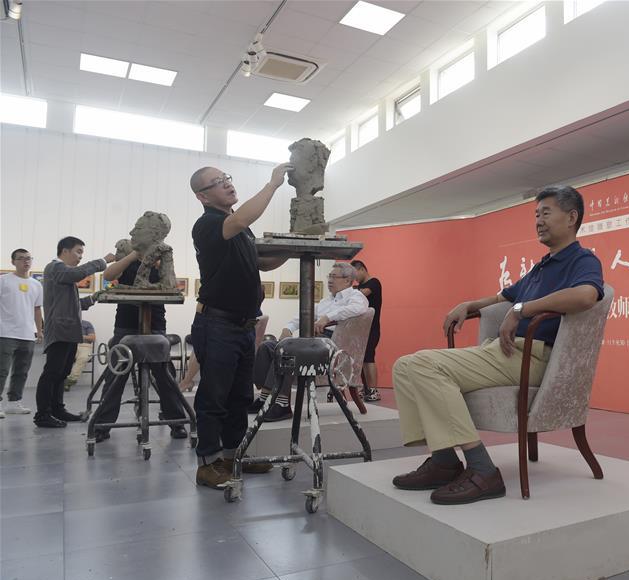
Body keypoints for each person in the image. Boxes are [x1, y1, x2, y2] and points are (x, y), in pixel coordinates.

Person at [390, 186, 604, 505]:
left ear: (572, 217)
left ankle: (482, 469)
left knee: (423, 364)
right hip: (505, 352)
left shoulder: (582, 260)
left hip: (533, 355)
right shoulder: (543, 266)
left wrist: (522, 310)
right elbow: (503, 297)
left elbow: (587, 295)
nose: (538, 221)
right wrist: (469, 304)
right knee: (405, 366)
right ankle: (444, 460)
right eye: (536, 215)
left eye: (546, 213)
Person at [189, 164, 292, 489]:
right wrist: (273, 184)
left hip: (243, 326)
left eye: (227, 179)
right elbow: (241, 219)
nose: (227, 185)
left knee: (238, 396)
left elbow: (261, 261)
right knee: (214, 395)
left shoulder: (239, 230)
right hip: (217, 323)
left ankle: (234, 456)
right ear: (202, 195)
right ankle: (207, 463)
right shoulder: (208, 224)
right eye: (217, 183)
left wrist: (295, 246)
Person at [91, 243, 187, 442]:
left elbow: (171, 285)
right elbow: (108, 276)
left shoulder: (161, 259)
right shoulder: (128, 259)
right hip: (126, 325)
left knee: (165, 375)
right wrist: (133, 255)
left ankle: (176, 421)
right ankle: (102, 423)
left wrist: (162, 262)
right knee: (115, 374)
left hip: (155, 325)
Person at [252, 263, 368, 422]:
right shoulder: (327, 301)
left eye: (334, 276)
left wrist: (328, 317)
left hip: (332, 345)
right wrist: (288, 327)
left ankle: (283, 404)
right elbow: (305, 315)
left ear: (348, 280)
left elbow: (358, 308)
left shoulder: (356, 297)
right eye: (329, 276)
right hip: (315, 341)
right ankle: (265, 398)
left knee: (288, 350)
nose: (330, 280)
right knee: (268, 347)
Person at [34, 237, 113, 428]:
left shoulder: (63, 276)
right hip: (60, 331)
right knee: (52, 373)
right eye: (78, 252)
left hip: (68, 332)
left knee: (62, 373)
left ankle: (57, 409)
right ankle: (42, 415)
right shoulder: (55, 268)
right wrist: (104, 261)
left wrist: (96, 297)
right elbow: (79, 273)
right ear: (65, 251)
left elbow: (77, 305)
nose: (79, 257)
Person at [0, 249, 43, 418]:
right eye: (21, 259)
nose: (26, 261)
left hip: (27, 334)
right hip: (5, 332)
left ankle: (14, 402)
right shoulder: (3, 281)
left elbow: (37, 309)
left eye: (28, 258)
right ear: (13, 262)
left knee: (22, 370)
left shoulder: (36, 284)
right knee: (2, 370)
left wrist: (39, 330)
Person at [351, 260, 382, 402]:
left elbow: (362, 294)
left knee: (369, 358)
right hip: (360, 329)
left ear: (362, 269)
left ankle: (374, 390)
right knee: (362, 359)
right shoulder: (356, 287)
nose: (354, 278)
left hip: (372, 328)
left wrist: (347, 291)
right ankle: (366, 388)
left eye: (355, 274)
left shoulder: (374, 282)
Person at [63, 319, 95, 391]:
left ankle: (70, 380)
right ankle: (64, 380)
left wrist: (80, 336)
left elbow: (92, 338)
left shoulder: (86, 323)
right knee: (61, 356)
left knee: (83, 357)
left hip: (84, 345)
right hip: (70, 344)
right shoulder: (66, 323)